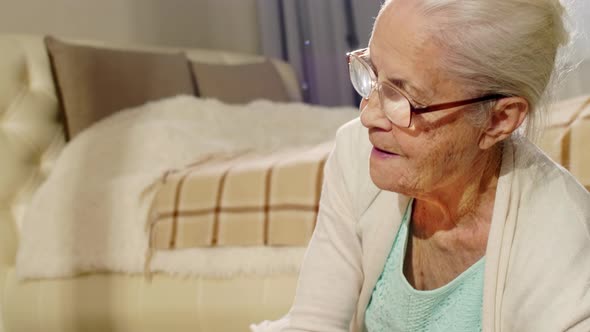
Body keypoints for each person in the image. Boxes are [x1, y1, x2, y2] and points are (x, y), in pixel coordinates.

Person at [252, 0, 590, 331]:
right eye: (372, 73)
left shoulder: (561, 236)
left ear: (499, 120)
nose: (367, 115)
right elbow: (315, 322)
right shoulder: (356, 151)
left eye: (403, 96)